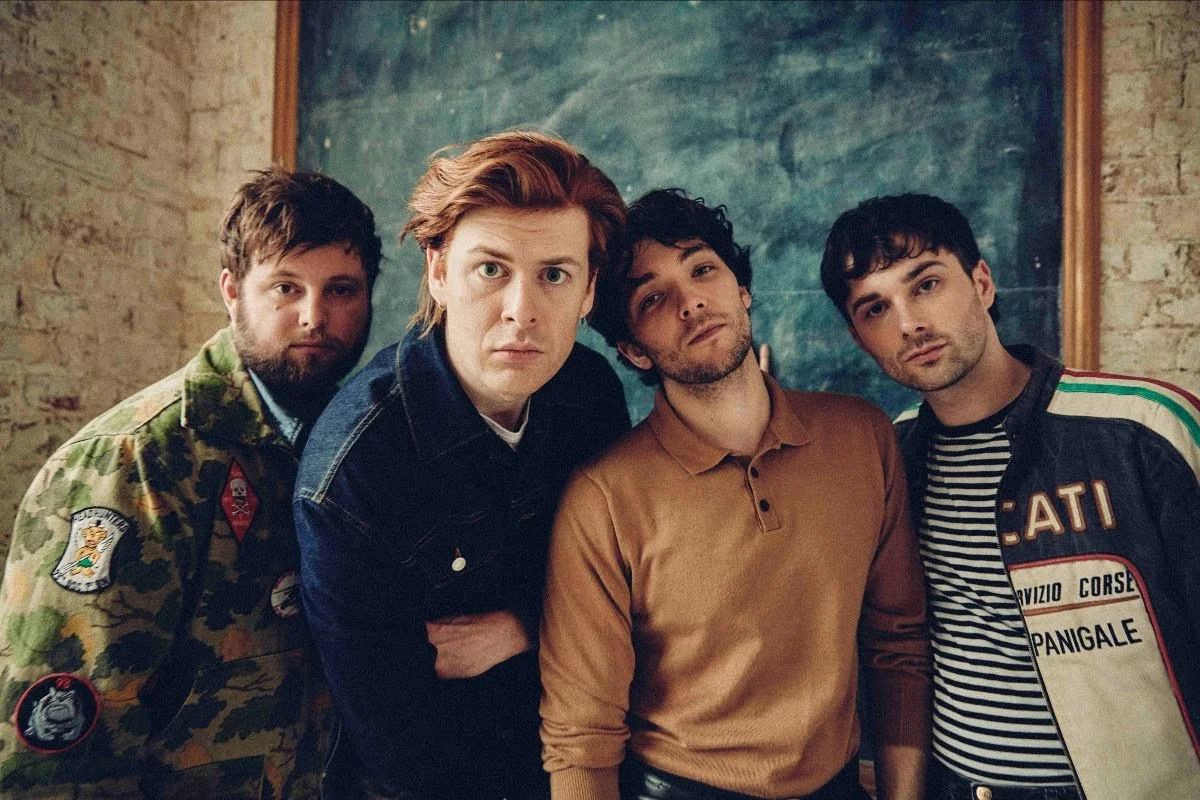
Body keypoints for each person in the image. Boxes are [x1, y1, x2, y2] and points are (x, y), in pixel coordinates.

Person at [0, 168, 381, 797]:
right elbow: (60, 757)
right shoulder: (133, 460)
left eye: (341, 289)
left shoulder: (350, 444)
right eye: (285, 287)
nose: (315, 317)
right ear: (232, 291)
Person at [539, 188, 931, 800]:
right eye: (652, 298)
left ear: (741, 289)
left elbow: (899, 646)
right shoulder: (603, 498)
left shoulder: (862, 436)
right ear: (633, 349)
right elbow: (581, 738)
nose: (691, 302)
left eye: (703, 270)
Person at [819, 192, 1200, 800]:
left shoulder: (1142, 429)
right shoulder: (891, 456)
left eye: (926, 284)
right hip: (954, 786)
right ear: (859, 337)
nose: (909, 324)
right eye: (875, 308)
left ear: (982, 282)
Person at [293, 130, 631, 800]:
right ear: (439, 272)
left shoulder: (589, 395)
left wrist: (524, 626)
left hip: (582, 759)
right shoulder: (354, 471)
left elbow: (632, 598)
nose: (521, 312)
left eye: (555, 275)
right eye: (491, 270)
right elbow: (397, 748)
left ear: (589, 291)